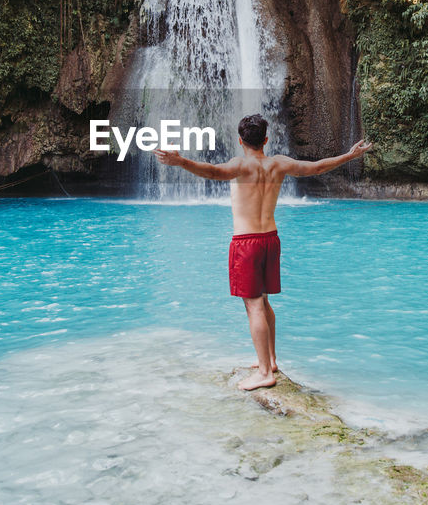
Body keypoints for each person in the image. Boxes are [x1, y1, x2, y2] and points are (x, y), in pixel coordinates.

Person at [153, 113, 372, 391]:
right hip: (270, 239)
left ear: (240, 140)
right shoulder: (278, 164)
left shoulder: (240, 165)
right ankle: (270, 359)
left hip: (246, 242)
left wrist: (179, 161)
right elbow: (316, 167)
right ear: (266, 140)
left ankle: (265, 372)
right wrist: (348, 156)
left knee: (253, 304)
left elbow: (210, 171)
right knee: (264, 302)